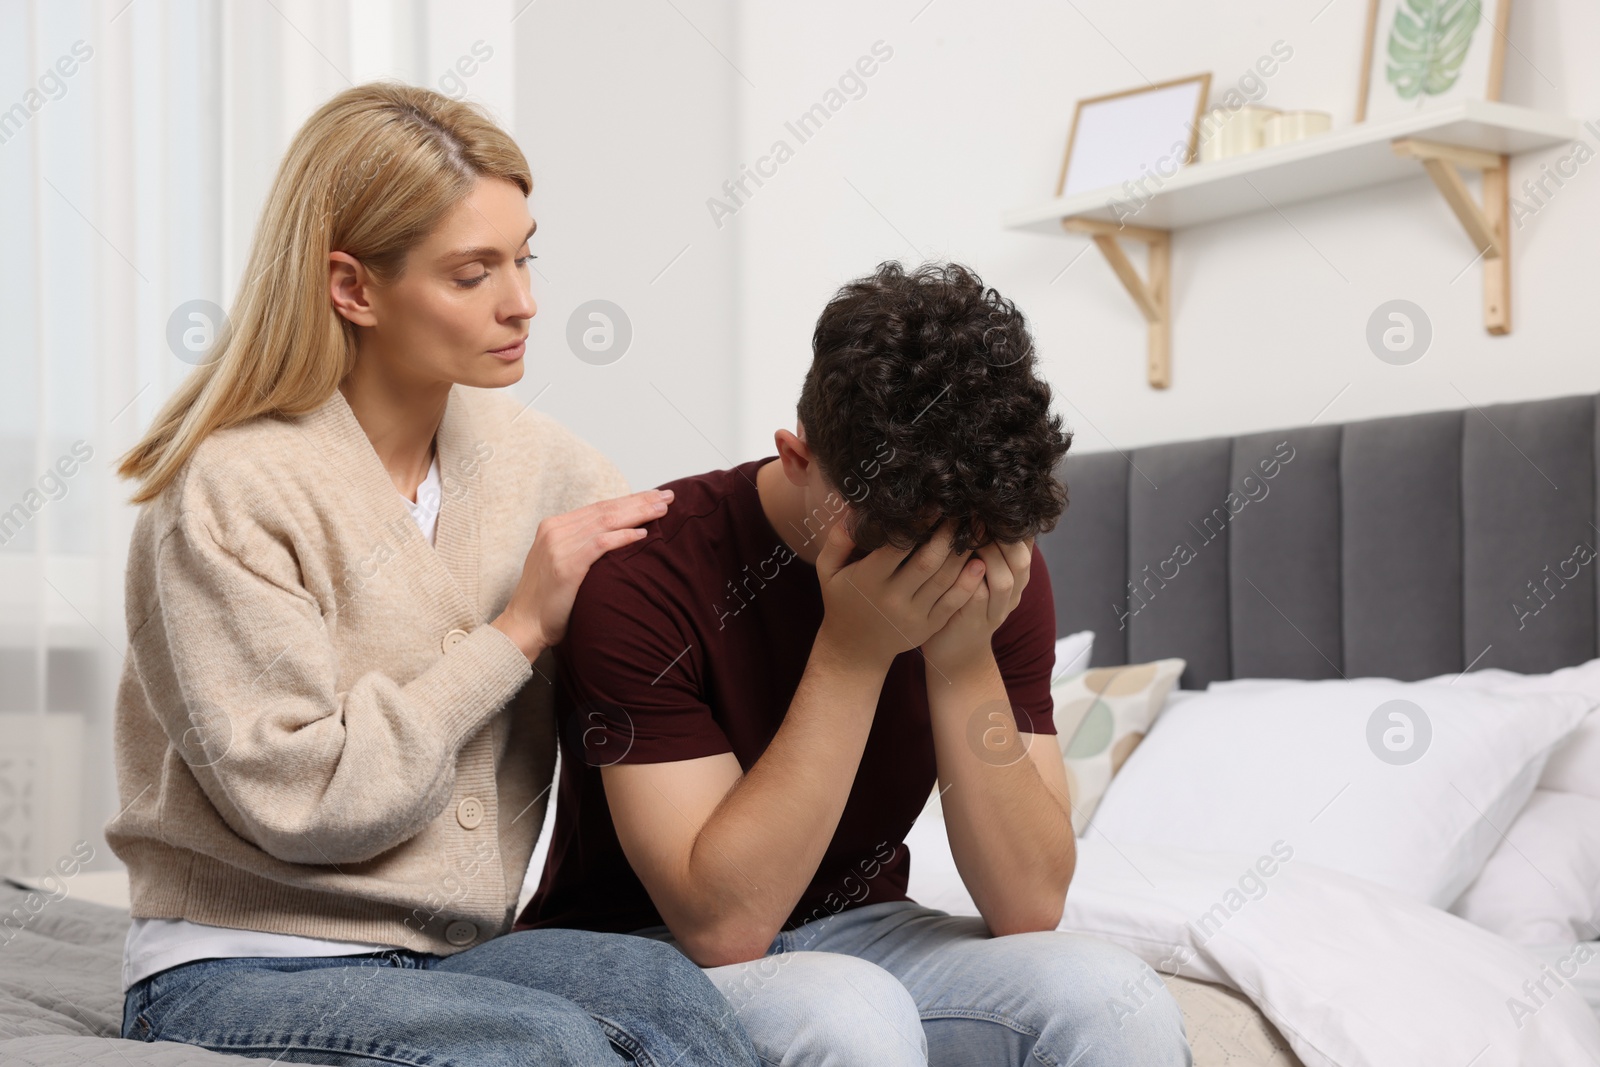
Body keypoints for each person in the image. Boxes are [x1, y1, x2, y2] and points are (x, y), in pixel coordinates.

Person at [105, 82, 757, 1067]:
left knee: (657, 990)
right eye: (472, 273)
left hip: (456, 954)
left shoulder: (555, 469)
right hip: (241, 960)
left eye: (525, 256)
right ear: (353, 287)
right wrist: (517, 632)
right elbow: (306, 802)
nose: (523, 300)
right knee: (543, 1045)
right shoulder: (229, 488)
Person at [517, 260, 1193, 1065]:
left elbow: (1028, 901)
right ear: (798, 458)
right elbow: (721, 924)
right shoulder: (647, 573)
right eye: (905, 538)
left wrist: (963, 652)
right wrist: (851, 653)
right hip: (644, 949)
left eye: (966, 539)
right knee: (847, 1010)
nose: (940, 567)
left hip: (866, 930)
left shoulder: (993, 562)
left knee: (1115, 999)